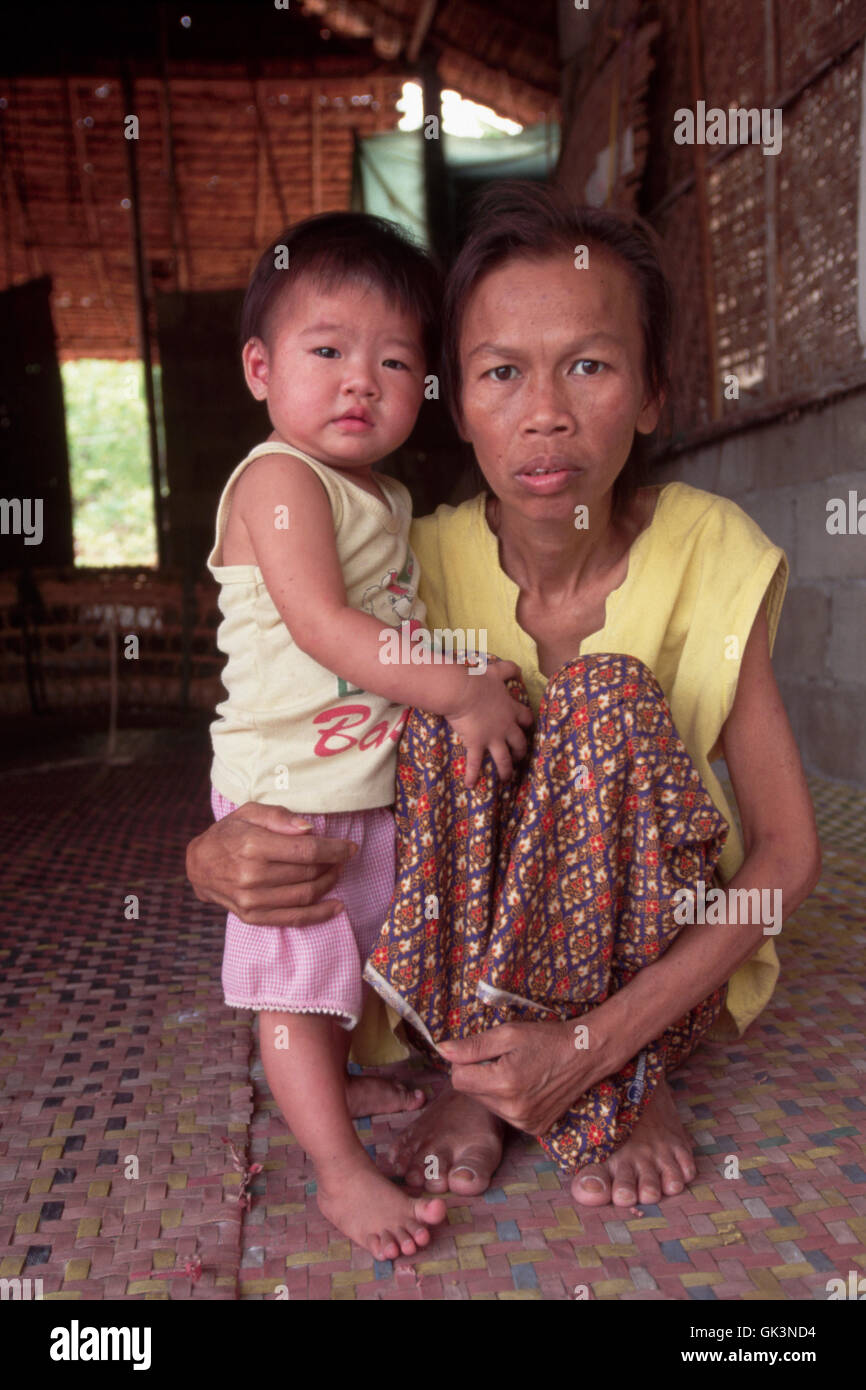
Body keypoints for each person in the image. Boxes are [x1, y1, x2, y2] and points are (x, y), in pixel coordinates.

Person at [189, 183, 821, 1218]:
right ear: (453, 396)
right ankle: (476, 1071)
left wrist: (596, 1045)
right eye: (498, 373)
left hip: (649, 958)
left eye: (588, 365)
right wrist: (209, 855)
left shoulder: (711, 551)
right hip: (462, 961)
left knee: (603, 698)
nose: (543, 414)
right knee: (449, 699)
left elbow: (786, 859)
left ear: (652, 390)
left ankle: (624, 1075)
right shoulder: (404, 564)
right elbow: (285, 698)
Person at [207, 211, 533, 1262]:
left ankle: (344, 1075)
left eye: (394, 361)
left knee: (350, 955)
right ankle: (340, 1172)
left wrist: (473, 674)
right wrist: (458, 692)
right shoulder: (277, 480)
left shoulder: (382, 496)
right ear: (260, 368)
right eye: (327, 351)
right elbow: (328, 630)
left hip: (359, 785)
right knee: (298, 984)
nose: (361, 380)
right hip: (287, 796)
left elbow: (393, 624)